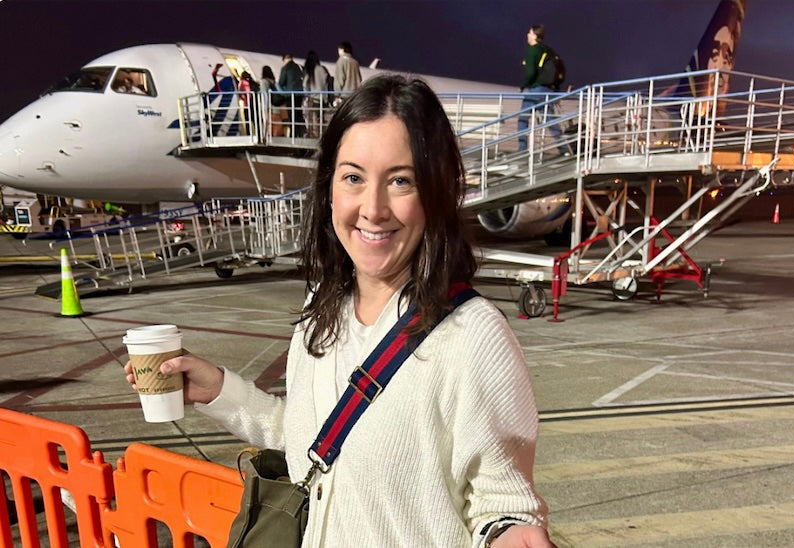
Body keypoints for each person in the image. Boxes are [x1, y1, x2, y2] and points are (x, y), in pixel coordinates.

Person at [124, 74, 554, 548]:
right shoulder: (322, 306)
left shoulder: (474, 335)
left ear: (435, 193)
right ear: (330, 188)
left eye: (400, 181)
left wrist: (510, 531)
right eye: (353, 177)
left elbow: (501, 501)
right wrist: (219, 391)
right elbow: (310, 442)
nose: (373, 208)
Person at [517, 25, 569, 154]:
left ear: (535, 35)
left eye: (529, 32)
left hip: (536, 90)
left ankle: (522, 150)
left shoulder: (533, 50)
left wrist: (523, 85)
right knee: (550, 120)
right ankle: (564, 149)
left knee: (523, 119)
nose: (527, 35)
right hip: (548, 90)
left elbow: (530, 72)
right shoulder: (546, 50)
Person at [302, 50, 330, 138]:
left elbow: (305, 86)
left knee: (313, 122)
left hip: (313, 100)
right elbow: (327, 83)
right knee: (321, 121)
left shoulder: (310, 70)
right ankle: (321, 137)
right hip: (323, 100)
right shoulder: (322, 69)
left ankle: (314, 137)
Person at [278, 54, 306, 137]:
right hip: (300, 94)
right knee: (298, 113)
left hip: (290, 95)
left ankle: (293, 134)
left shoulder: (285, 68)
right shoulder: (299, 67)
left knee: (291, 114)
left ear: (284, 60)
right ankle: (300, 133)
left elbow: (281, 82)